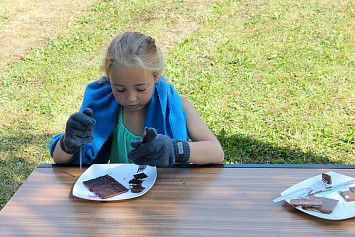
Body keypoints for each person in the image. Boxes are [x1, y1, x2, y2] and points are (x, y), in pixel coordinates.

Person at [50, 31, 224, 167]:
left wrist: (174, 149)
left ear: (155, 77)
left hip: (165, 197)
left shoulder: (178, 106)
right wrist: (69, 141)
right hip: (118, 196)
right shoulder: (102, 107)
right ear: (109, 80)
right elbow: (60, 159)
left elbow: (216, 152)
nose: (131, 97)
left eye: (141, 88)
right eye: (119, 89)